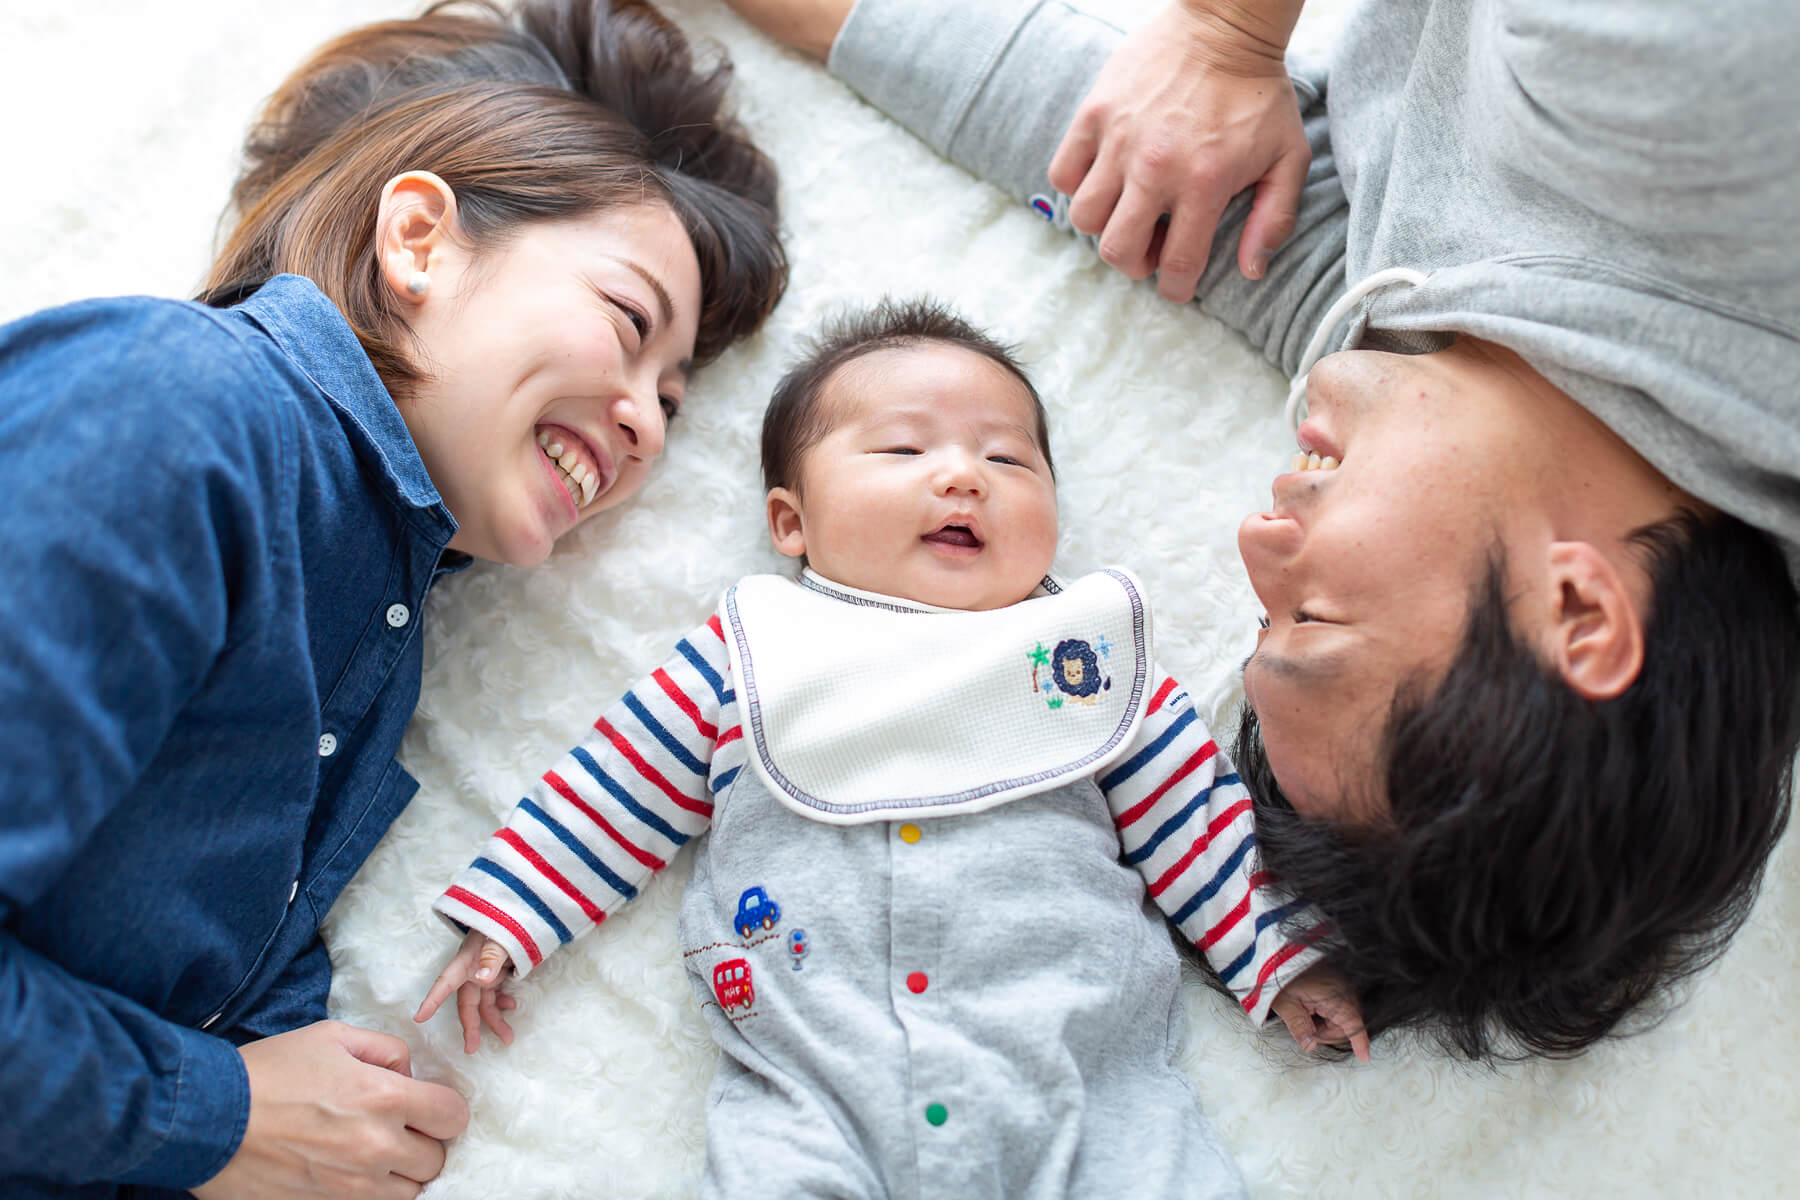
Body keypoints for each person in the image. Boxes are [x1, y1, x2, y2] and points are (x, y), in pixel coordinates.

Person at [717, 0, 1800, 1058]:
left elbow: (1123, 159)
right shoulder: (1700, 113)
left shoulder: (1429, 355)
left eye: (1261, 613)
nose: (1255, 536)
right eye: (1312, 611)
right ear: (1575, 609)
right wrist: (1227, 32)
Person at [0, 1, 785, 1195]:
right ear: (418, 240)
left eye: (674, 403)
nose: (646, 424)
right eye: (628, 325)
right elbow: (230, 1109)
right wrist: (218, 1117)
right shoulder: (179, 409)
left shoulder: (377, 628)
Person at [414, 298, 1369, 1198]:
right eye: (905, 448)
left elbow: (1194, 819)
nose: (963, 476)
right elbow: (616, 785)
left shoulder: (1078, 660)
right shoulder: (752, 655)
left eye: (1009, 460)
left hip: (1082, 1083)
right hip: (819, 1092)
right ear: (791, 522)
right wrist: (514, 913)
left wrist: (1282, 955)